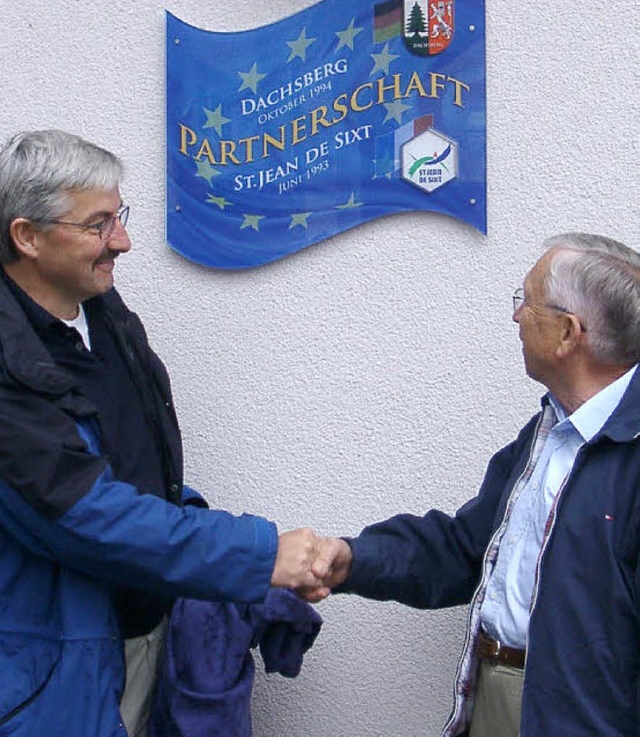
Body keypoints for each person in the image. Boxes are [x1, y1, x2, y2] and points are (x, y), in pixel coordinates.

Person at [0, 129, 325, 736]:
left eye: (118, 216)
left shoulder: (109, 322)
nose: (121, 241)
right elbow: (81, 514)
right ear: (27, 237)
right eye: (98, 225)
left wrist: (203, 532)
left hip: (142, 640)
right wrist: (258, 554)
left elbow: (136, 470)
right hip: (49, 675)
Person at [310, 233, 640, 736]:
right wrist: (352, 559)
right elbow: (468, 549)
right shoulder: (550, 432)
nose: (515, 317)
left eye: (526, 302)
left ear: (569, 333)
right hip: (495, 698)